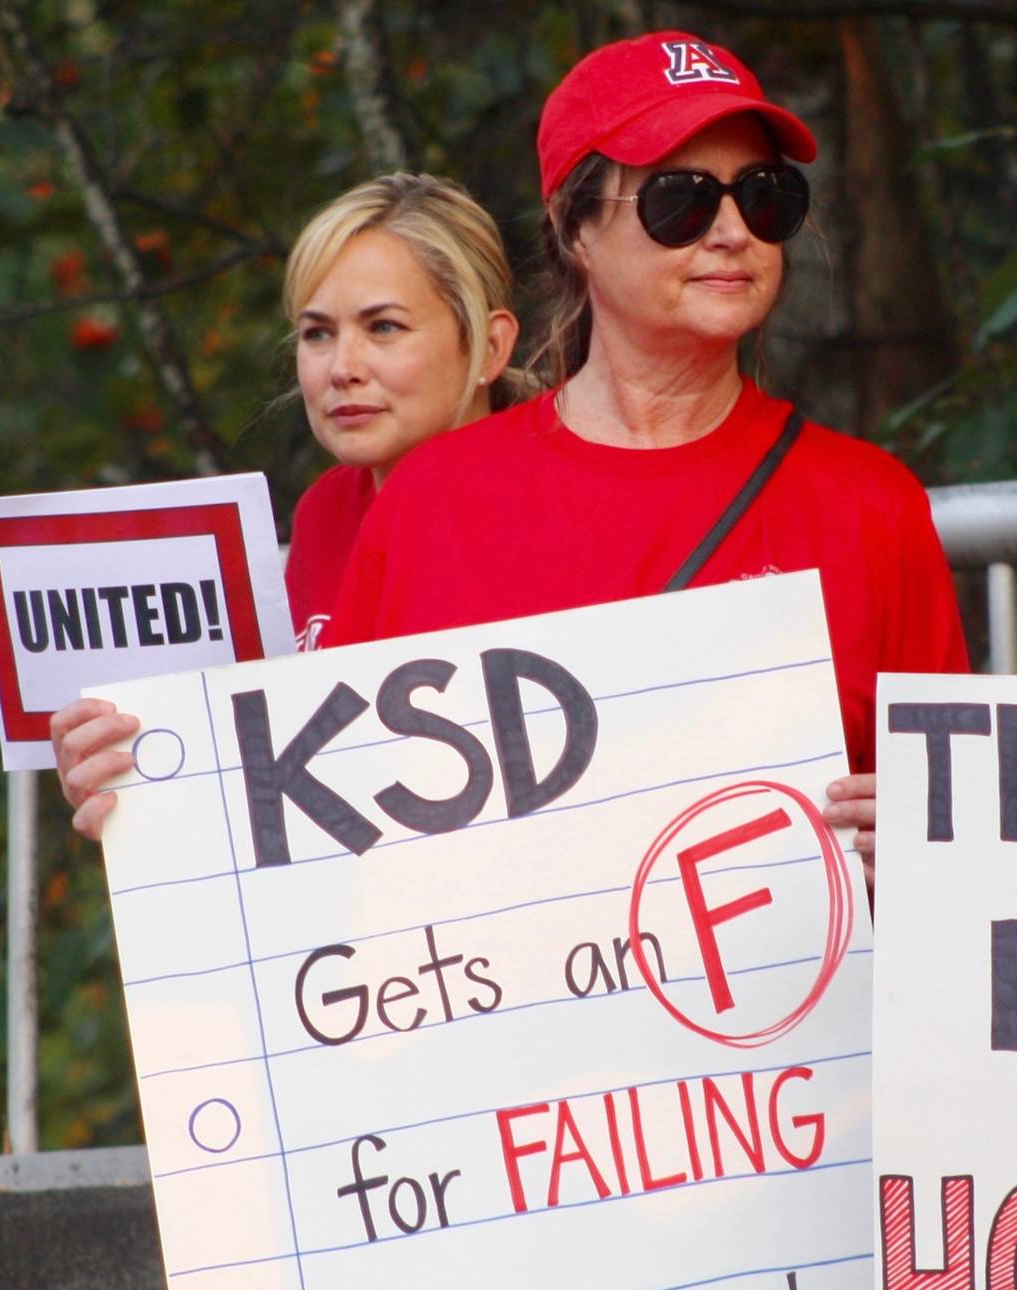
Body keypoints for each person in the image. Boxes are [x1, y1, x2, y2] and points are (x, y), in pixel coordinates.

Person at [325, 31, 968, 879]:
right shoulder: (433, 501)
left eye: (765, 196)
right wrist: (144, 785)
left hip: (792, 1004)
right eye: (681, 199)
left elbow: (957, 840)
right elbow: (319, 834)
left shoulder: (870, 504)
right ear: (575, 229)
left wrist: (933, 842)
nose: (734, 230)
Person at [51, 173, 523, 834]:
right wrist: (133, 786)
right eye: (317, 333)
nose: (342, 367)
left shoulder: (552, 490)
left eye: (383, 326)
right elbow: (312, 777)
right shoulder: (329, 508)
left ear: (489, 346)